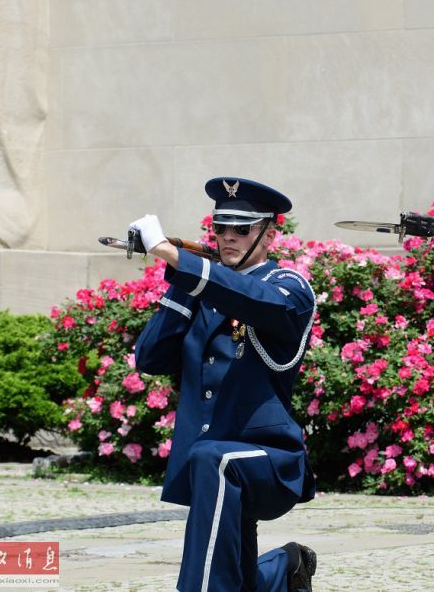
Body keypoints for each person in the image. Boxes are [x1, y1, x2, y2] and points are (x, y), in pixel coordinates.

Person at [131, 177, 317, 592]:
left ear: (269, 235)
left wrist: (179, 259)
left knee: (214, 458)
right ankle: (285, 568)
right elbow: (150, 358)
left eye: (242, 228)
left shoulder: (290, 287)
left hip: (269, 460)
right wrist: (183, 281)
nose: (228, 236)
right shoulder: (205, 287)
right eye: (220, 227)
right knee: (235, 576)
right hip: (213, 464)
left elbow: (256, 300)